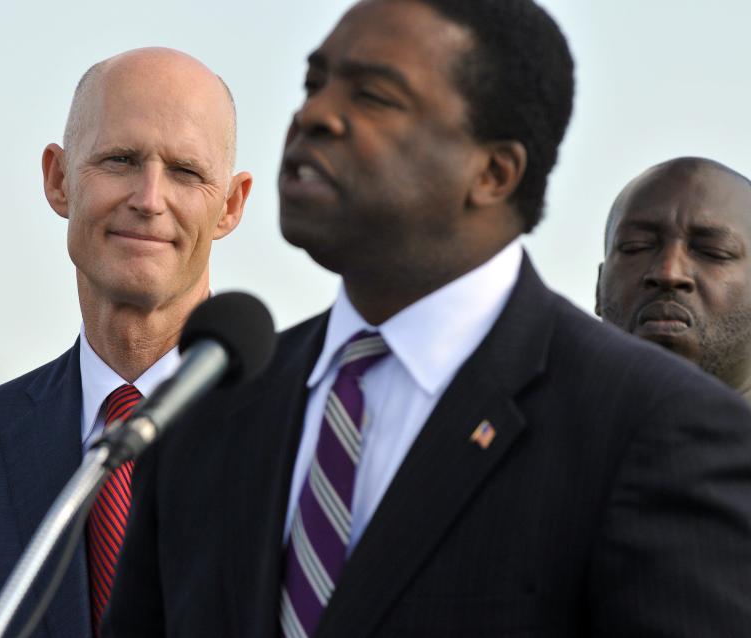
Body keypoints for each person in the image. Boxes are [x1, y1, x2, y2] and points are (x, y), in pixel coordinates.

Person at [107, 1, 751, 636]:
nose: (316, 115)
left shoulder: (657, 429)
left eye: (376, 97)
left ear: (494, 173)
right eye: (314, 83)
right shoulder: (208, 409)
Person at [0, 48, 251, 638]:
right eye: (120, 160)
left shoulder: (305, 423)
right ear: (58, 180)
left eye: (185, 171)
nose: (149, 198)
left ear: (230, 205)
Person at [596, 157, 751, 402]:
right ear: (598, 288)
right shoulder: (537, 430)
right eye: (637, 246)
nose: (668, 272)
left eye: (714, 251)